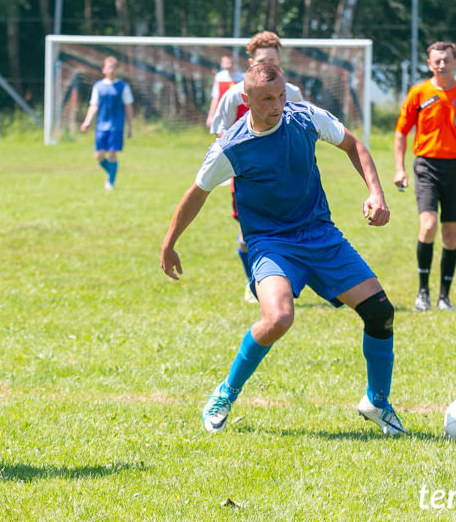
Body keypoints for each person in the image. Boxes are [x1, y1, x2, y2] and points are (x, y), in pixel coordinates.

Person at [161, 63, 405, 436]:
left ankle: (377, 403)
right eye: (266, 99)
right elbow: (197, 193)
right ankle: (226, 393)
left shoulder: (304, 116)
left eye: (280, 96)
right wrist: (170, 243)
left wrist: (376, 192)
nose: (277, 105)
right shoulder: (231, 147)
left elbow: (353, 144)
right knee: (278, 319)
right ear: (246, 100)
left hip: (321, 235)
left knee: (380, 312)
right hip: (272, 243)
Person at [210, 31, 304, 303]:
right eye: (262, 60)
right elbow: (220, 133)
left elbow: (303, 128)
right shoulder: (234, 94)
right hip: (247, 179)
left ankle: (281, 282)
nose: (268, 66)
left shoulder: (292, 93)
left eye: (273, 61)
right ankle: (253, 281)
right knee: (246, 235)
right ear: (251, 62)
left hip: (285, 179)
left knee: (286, 231)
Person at [394, 41, 456, 312]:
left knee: (451, 234)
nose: (441, 64)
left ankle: (444, 297)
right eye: (436, 60)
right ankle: (422, 292)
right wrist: (399, 168)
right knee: (427, 225)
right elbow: (401, 132)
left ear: (455, 61)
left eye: (446, 59)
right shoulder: (418, 92)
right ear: (429, 63)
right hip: (427, 166)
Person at [80, 56, 134, 191]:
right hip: (101, 126)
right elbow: (94, 106)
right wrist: (87, 121)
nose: (112, 70)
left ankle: (110, 182)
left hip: (117, 126)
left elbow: (128, 107)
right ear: (103, 69)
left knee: (112, 154)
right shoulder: (98, 86)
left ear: (117, 69)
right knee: (98, 155)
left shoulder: (123, 87)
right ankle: (112, 171)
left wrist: (130, 126)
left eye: (114, 67)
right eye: (109, 67)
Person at [205, 55, 244, 130]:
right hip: (223, 112)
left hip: (238, 112)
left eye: (230, 62)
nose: (228, 64)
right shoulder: (219, 77)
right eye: (225, 62)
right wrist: (210, 116)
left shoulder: (242, 77)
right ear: (221, 63)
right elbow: (215, 98)